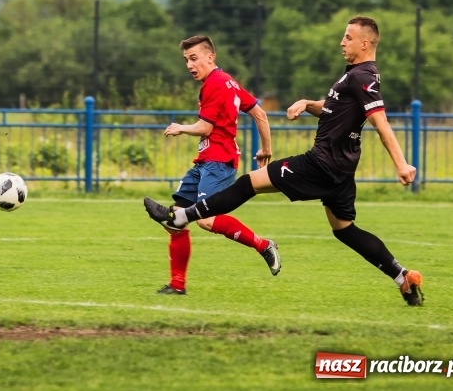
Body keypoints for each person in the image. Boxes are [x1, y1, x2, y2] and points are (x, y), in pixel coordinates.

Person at [145, 16, 424, 306]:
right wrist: (307, 103)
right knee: (345, 231)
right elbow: (334, 110)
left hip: (320, 164)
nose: (342, 42)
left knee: (247, 184)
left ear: (365, 43)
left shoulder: (362, 76)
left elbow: (380, 123)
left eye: (348, 37)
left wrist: (401, 163)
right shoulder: (353, 75)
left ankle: (180, 217)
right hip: (340, 171)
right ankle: (402, 277)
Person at [149, 34, 280, 296]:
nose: (189, 64)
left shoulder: (215, 84)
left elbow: (205, 127)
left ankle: (264, 245)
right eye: (186, 59)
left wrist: (181, 128)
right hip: (206, 161)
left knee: (205, 220)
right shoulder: (228, 81)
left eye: (194, 58)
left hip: (219, 162)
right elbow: (260, 113)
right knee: (174, 220)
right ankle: (177, 285)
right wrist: (266, 149)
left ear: (211, 56)